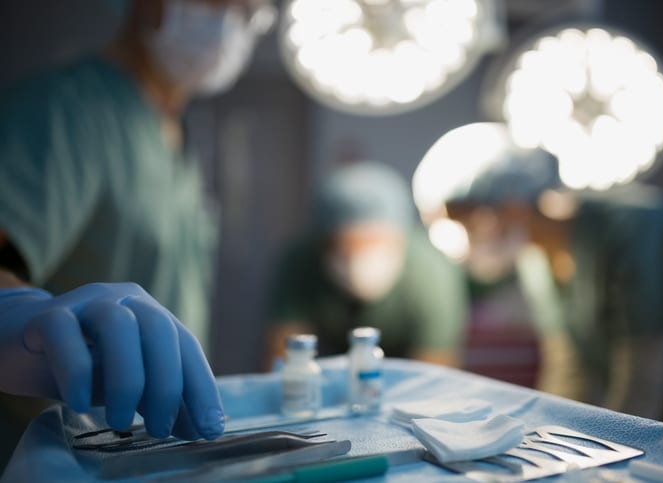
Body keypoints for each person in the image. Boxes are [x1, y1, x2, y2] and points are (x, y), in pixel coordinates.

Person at [0, 0, 272, 465]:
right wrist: (20, 320)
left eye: (248, 10)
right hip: (53, 457)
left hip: (146, 455)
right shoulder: (63, 111)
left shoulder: (176, 135)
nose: (230, 20)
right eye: (215, 2)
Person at [443, 146, 663, 435]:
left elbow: (645, 372)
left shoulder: (637, 227)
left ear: (514, 207)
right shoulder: (534, 257)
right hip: (649, 415)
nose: (471, 238)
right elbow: (568, 365)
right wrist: (547, 438)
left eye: (471, 223)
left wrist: (614, 448)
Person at [265, 161, 468, 368]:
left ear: (401, 237)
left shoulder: (432, 274)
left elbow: (436, 375)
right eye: (345, 248)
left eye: (374, 243)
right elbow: (285, 364)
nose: (358, 262)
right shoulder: (300, 262)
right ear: (322, 243)